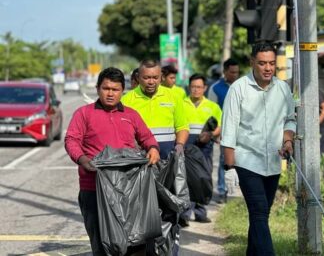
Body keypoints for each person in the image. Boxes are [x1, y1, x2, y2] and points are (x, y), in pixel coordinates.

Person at [65, 67, 160, 255]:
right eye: (106, 88)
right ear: (97, 88)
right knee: (102, 245)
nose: (110, 93)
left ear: (122, 90)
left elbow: (147, 137)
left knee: (136, 243)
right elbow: (71, 140)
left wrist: (153, 149)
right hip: (94, 189)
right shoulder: (84, 113)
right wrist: (83, 160)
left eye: (115, 89)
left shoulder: (131, 115)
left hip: (130, 191)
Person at [221, 42, 296, 256]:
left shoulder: (282, 88)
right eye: (262, 63)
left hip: (272, 163)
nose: (268, 68)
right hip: (246, 161)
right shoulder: (238, 88)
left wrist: (288, 141)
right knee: (259, 212)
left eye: (271, 63)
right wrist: (229, 168)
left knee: (261, 215)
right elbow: (229, 130)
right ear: (252, 62)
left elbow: (290, 120)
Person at [122, 59, 189, 160]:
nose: (151, 82)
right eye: (146, 78)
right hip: (139, 159)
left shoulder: (174, 97)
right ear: (138, 78)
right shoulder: (126, 100)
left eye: (155, 78)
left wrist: (179, 145)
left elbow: (182, 126)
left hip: (168, 158)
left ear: (161, 77)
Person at [180, 73, 222, 225]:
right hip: (186, 144)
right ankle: (184, 214)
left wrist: (210, 134)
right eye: (193, 87)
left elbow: (219, 126)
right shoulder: (181, 104)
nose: (196, 90)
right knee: (186, 179)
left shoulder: (213, 107)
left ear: (205, 88)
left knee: (203, 177)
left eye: (199, 87)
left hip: (205, 146)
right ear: (189, 87)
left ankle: (200, 212)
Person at [207, 58, 240, 203]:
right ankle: (222, 190)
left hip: (243, 130)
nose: (235, 75)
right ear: (225, 72)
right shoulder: (215, 88)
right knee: (224, 160)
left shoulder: (243, 86)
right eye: (232, 72)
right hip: (224, 131)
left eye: (237, 72)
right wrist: (216, 133)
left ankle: (238, 188)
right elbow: (212, 113)